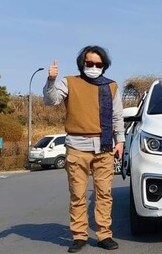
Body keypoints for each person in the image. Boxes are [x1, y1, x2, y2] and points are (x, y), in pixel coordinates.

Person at [44, 45, 124, 252]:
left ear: (104, 66)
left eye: (99, 64)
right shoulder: (70, 82)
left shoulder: (112, 86)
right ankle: (79, 236)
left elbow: (117, 117)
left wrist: (121, 141)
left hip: (104, 146)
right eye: (90, 63)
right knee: (78, 194)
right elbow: (50, 100)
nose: (94, 67)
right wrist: (51, 80)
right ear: (82, 64)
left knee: (104, 193)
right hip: (77, 147)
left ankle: (104, 234)